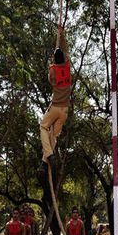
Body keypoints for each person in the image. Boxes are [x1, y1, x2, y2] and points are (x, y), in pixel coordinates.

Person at [39, 26, 71, 169]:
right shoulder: (68, 67)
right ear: (64, 58)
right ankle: (45, 162)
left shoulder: (53, 71)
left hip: (55, 107)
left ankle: (49, 155)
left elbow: (50, 80)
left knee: (43, 127)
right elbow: (65, 51)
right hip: (64, 110)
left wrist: (50, 67)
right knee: (54, 136)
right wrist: (61, 35)